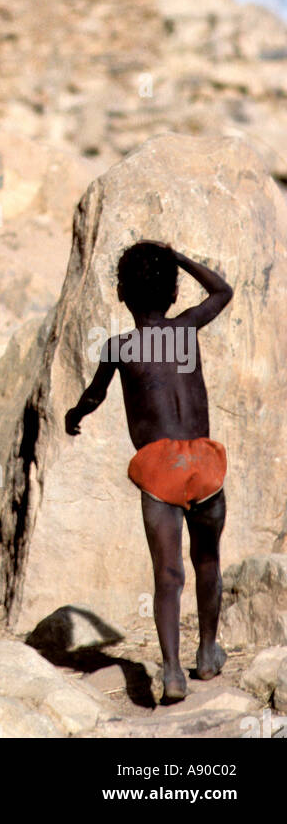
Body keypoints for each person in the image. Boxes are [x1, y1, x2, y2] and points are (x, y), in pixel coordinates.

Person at [64, 240, 233, 702]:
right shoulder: (185, 331)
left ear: (121, 293)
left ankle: (173, 672)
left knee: (168, 575)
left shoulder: (120, 347)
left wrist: (75, 414)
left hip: (160, 465)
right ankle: (208, 651)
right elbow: (222, 291)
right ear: (175, 294)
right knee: (208, 562)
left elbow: (95, 396)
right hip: (203, 460)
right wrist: (178, 258)